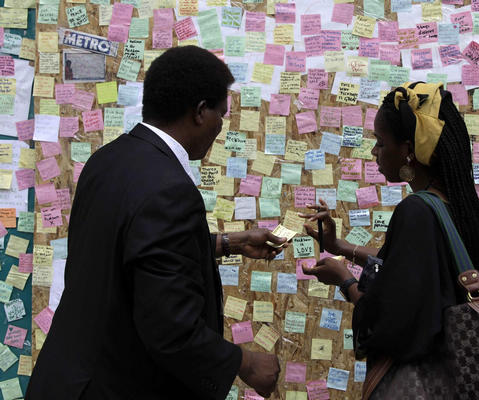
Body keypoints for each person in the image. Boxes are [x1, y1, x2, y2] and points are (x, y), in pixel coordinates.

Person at [27, 46, 285, 400]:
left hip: (66, 380)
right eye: (220, 116)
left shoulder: (108, 159)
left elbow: (130, 252)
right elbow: (171, 328)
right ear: (199, 112)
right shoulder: (170, 189)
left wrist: (229, 243)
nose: (220, 128)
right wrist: (246, 362)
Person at [299, 82, 479, 397]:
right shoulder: (452, 203)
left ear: (407, 150)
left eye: (379, 142)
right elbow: (412, 271)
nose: (374, 152)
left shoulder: (415, 210)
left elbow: (388, 326)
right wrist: (340, 248)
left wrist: (345, 280)